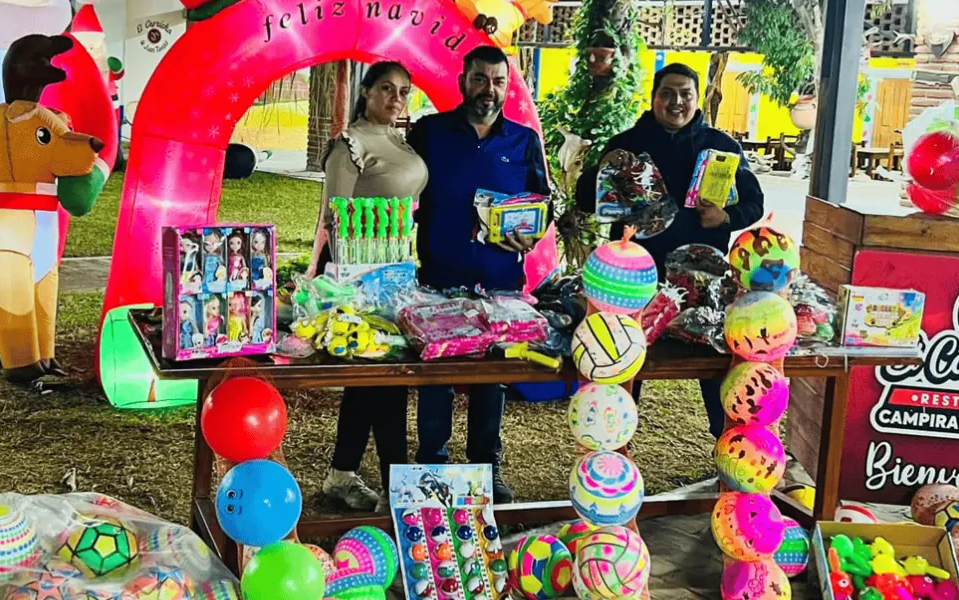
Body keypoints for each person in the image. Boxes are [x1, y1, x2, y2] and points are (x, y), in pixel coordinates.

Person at [576, 63, 766, 440]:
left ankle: (727, 443)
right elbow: (587, 199)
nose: (676, 101)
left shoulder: (722, 148)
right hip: (633, 282)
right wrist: (606, 180)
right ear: (653, 98)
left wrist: (726, 215)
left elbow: (755, 204)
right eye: (668, 93)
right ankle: (614, 442)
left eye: (685, 94)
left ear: (698, 100)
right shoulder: (626, 145)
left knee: (715, 366)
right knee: (624, 361)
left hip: (703, 281)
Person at [406, 46, 551, 504]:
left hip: (500, 283)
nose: (489, 90)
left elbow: (541, 205)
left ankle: (487, 468)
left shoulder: (523, 140)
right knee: (438, 380)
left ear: (507, 88)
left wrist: (530, 233)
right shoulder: (429, 132)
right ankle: (432, 464)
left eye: (498, 82)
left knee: (492, 378)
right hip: (439, 281)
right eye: (480, 79)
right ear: (462, 81)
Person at [312, 61, 428, 513]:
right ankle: (397, 487)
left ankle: (342, 475)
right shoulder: (350, 144)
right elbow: (334, 218)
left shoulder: (400, 139)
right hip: (361, 280)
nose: (395, 99)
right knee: (385, 382)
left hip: (399, 274)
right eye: (386, 89)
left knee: (371, 385)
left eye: (403, 91)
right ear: (366, 92)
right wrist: (357, 290)